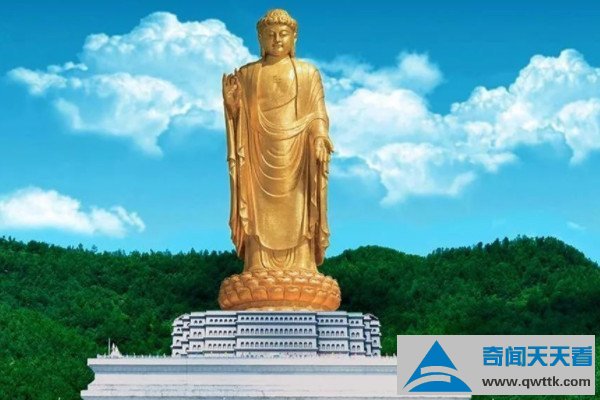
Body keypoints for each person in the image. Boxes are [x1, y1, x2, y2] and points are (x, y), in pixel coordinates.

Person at [219, 9, 339, 311]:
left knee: (301, 210)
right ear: (260, 38)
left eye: (283, 34)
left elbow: (318, 114)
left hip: (299, 155)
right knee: (256, 211)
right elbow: (238, 117)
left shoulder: (308, 73)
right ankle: (257, 266)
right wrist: (232, 106)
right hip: (257, 156)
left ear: (294, 37)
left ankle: (303, 266)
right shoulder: (247, 74)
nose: (277, 40)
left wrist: (320, 137)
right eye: (270, 34)